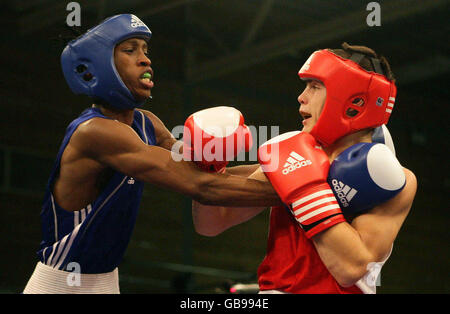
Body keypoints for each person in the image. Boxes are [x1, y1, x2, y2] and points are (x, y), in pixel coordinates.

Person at [22, 14, 282, 294]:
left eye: (145, 50)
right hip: (60, 284)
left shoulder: (146, 123)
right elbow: (203, 187)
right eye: (130, 49)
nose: (145, 59)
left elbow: (203, 171)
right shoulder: (94, 132)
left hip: (106, 281)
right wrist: (301, 191)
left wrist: (286, 170)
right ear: (100, 64)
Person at [192, 43, 417, 294]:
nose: (302, 96)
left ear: (352, 98)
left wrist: (306, 190)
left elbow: (351, 268)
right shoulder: (290, 151)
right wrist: (209, 164)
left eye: (315, 86)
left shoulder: (390, 179)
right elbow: (211, 224)